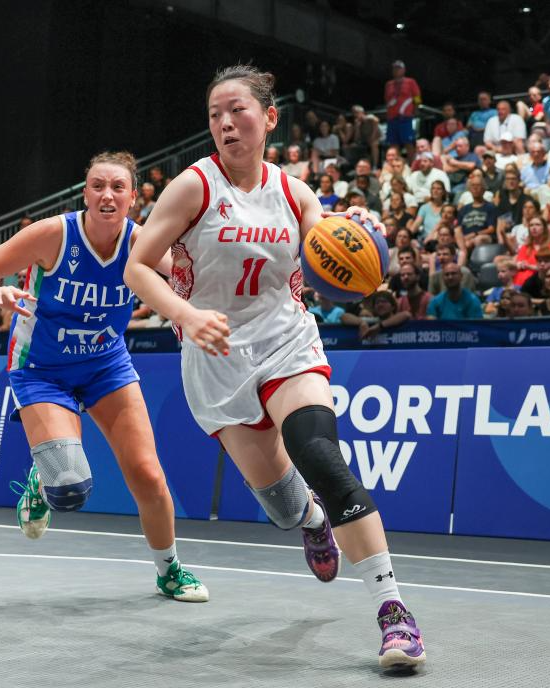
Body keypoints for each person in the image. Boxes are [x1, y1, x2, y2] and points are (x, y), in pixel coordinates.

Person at [124, 65, 425, 667]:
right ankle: (311, 520)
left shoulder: (295, 193)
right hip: (216, 356)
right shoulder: (193, 187)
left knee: (320, 455)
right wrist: (185, 315)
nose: (225, 123)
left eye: (237, 110)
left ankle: (394, 612)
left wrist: (360, 235)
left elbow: (335, 255)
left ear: (269, 118)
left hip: (286, 340)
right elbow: (138, 267)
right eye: (215, 114)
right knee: (284, 506)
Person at [0, 151, 208, 603]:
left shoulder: (142, 243)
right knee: (69, 487)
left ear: (133, 197)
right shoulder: (53, 235)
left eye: (118, 187)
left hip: (106, 366)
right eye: (98, 186)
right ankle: (42, 480)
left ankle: (169, 571)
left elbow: (196, 279)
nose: (107, 195)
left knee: (148, 475)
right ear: (86, 193)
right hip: (41, 370)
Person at [383, 60, 421, 160]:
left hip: (405, 117)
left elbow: (417, 96)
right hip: (392, 118)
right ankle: (395, 163)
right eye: (394, 68)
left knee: (408, 142)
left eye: (399, 68)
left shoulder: (410, 82)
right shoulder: (388, 84)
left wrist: (416, 109)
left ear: (404, 70)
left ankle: (412, 164)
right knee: (393, 143)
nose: (396, 70)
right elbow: (387, 100)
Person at [515, 216, 550, 286]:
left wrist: (528, 266)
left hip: (541, 282)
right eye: (531, 225)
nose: (534, 228)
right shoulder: (525, 247)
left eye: (537, 225)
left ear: (544, 228)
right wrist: (523, 265)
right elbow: (518, 265)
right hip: (520, 282)